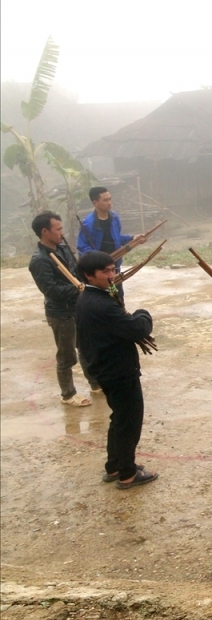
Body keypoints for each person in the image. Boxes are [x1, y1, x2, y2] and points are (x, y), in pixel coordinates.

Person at [76, 251, 158, 489]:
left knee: (119, 418)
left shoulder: (88, 298)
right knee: (128, 421)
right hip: (117, 370)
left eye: (113, 270)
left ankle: (114, 466)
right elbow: (137, 329)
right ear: (89, 276)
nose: (112, 275)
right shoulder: (101, 305)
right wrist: (143, 313)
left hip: (106, 368)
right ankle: (128, 474)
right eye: (105, 272)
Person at [28, 211, 100, 407]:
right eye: (58, 229)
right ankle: (68, 394)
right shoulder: (40, 260)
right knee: (67, 355)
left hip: (77, 307)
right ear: (44, 232)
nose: (62, 232)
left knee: (86, 348)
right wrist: (78, 288)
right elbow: (51, 290)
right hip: (61, 314)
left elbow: (76, 272)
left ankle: (95, 383)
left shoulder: (63, 248)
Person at [77, 185, 145, 266]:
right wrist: (98, 258)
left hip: (114, 264)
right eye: (105, 200)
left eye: (110, 199)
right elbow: (82, 248)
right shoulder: (88, 224)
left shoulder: (114, 218)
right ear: (95, 203)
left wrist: (133, 238)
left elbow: (116, 238)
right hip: (99, 267)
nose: (109, 203)